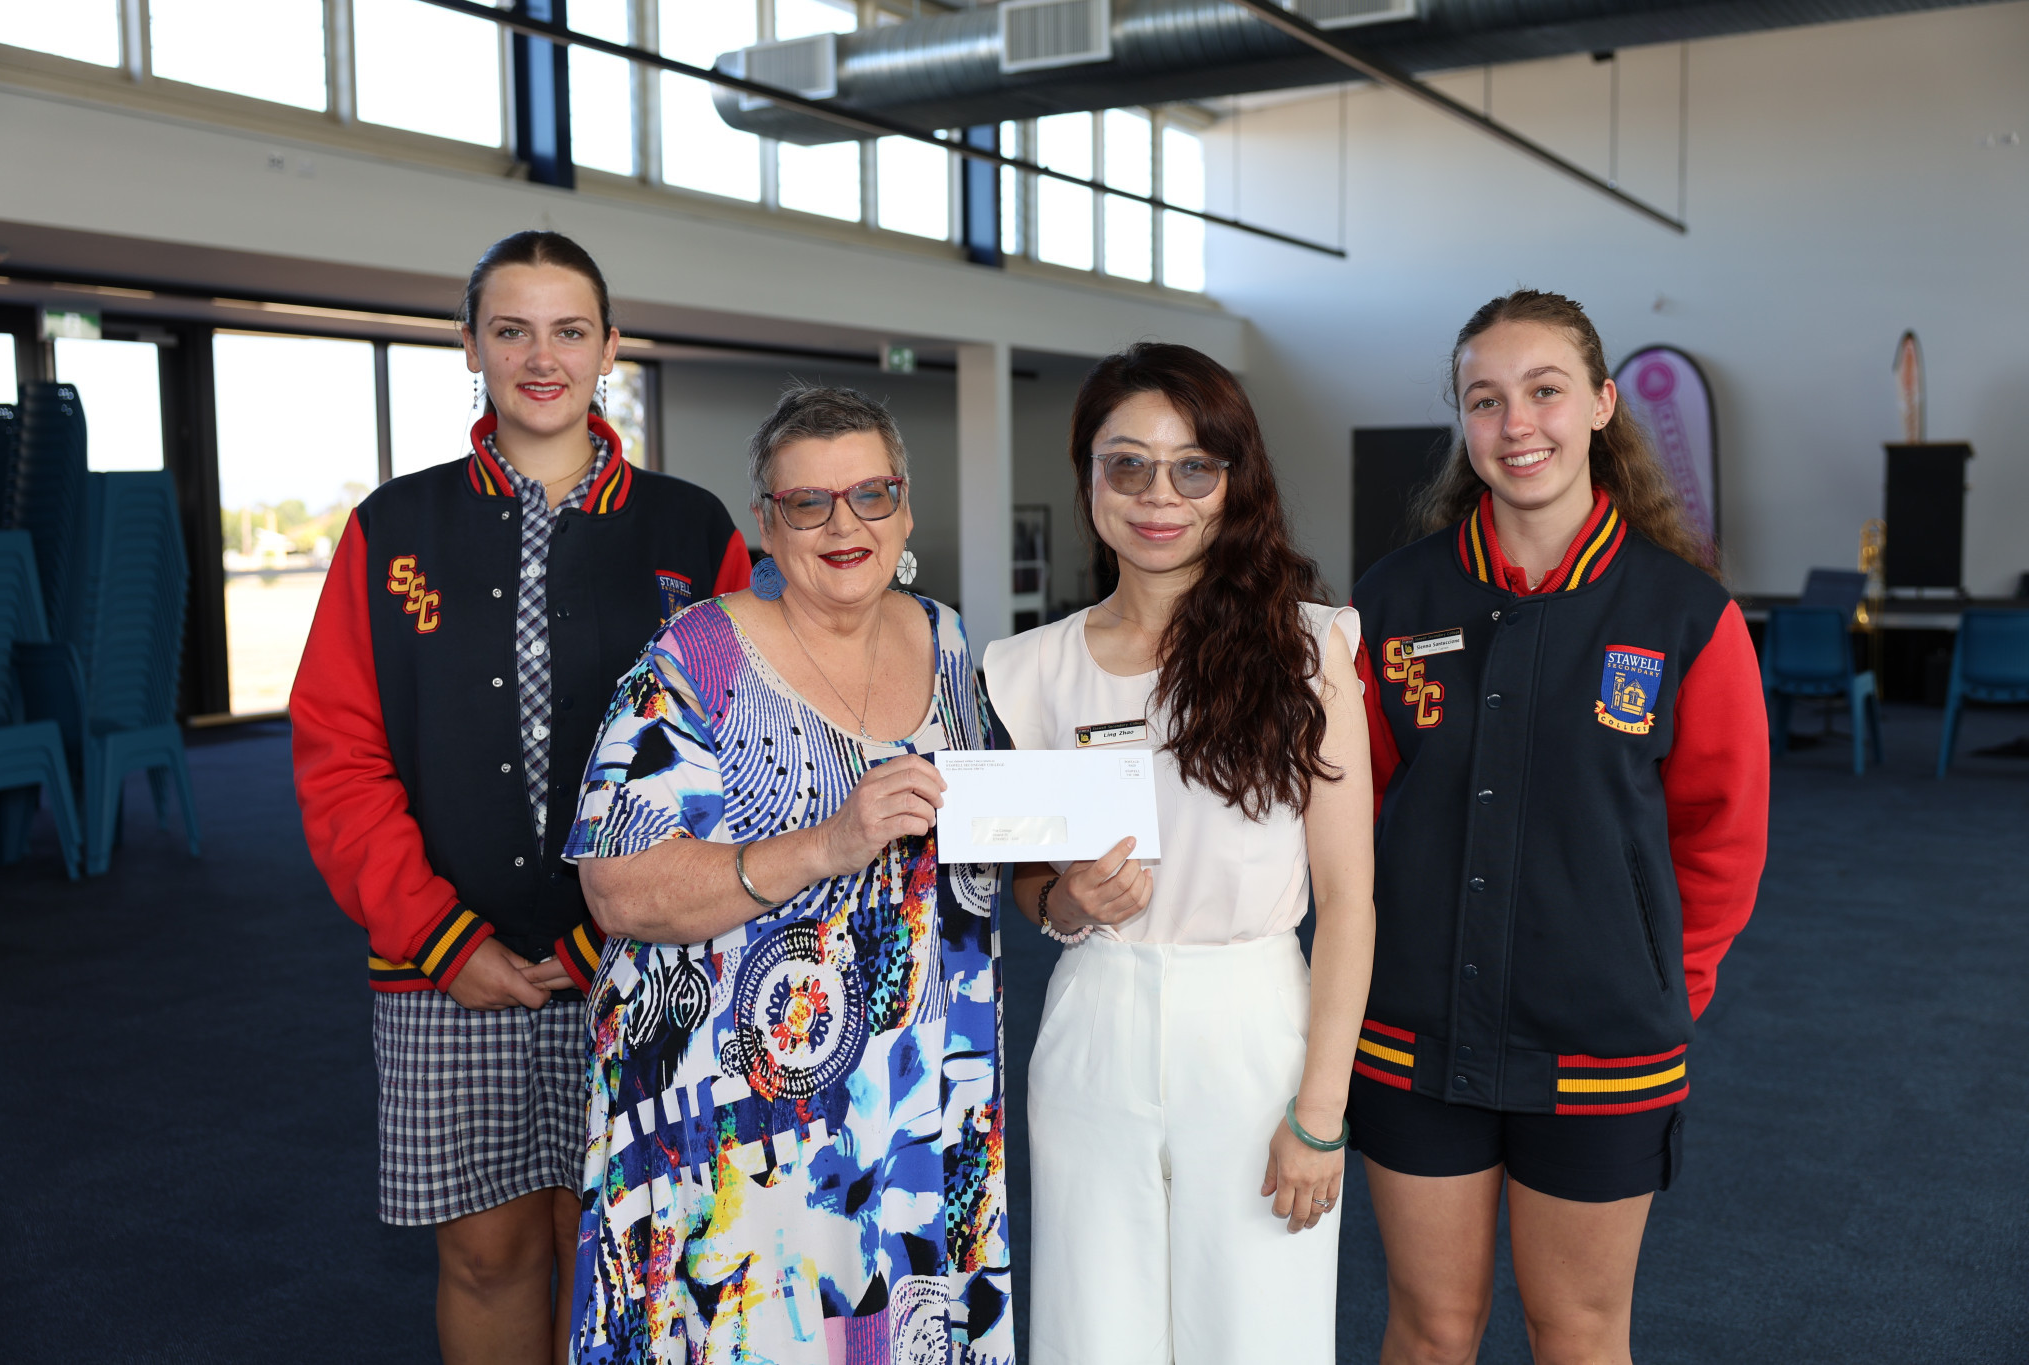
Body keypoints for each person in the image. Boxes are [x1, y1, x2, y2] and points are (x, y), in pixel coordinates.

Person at [291, 230, 751, 1365]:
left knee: (612, 1249)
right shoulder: (393, 532)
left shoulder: (692, 531)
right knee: (487, 1257)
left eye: (567, 330)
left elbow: (743, 756)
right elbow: (340, 754)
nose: (539, 357)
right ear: (469, 347)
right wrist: (440, 938)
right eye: (510, 330)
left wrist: (623, 924)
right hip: (446, 970)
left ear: (607, 350)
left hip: (643, 962)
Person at [1346, 289, 1769, 1365]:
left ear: (1598, 405)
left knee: (1575, 1332)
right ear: (1461, 421)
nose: (1514, 423)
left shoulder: (1683, 614)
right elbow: (1347, 816)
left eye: (1542, 391)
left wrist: (1662, 980)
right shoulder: (1394, 602)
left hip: (1603, 1042)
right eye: (1482, 400)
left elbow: (1720, 834)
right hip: (1410, 1033)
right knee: (1431, 1330)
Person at [561, 386, 1013, 1364]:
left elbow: (972, 836)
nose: (843, 523)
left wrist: (1076, 868)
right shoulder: (698, 656)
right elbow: (616, 889)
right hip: (740, 1131)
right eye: (808, 502)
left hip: (912, 1105)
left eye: (870, 495)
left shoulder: (944, 639)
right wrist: (825, 844)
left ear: (903, 503)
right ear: (767, 521)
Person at [983, 342, 1377, 1364]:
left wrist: (1320, 1112)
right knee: (1091, 1331)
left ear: (1231, 481)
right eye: (1128, 464)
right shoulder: (1026, 671)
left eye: (1192, 466)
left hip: (1251, 1030)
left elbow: (1348, 900)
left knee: (1255, 1331)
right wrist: (1067, 902)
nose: (1159, 495)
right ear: (1086, 479)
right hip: (1091, 1026)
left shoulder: (1308, 650)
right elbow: (1032, 884)